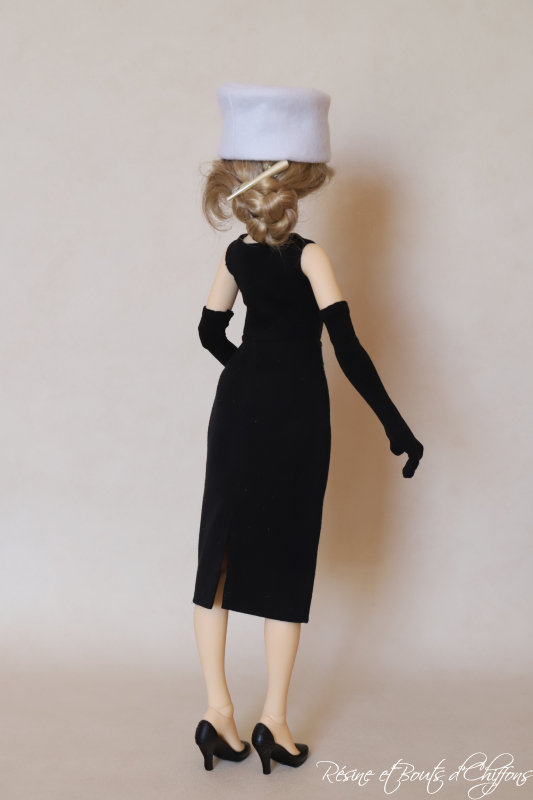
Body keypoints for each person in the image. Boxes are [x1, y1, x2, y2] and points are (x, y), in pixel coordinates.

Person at [192, 83, 424, 774]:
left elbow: (209, 332)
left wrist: (248, 372)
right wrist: (396, 426)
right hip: (296, 415)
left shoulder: (235, 255)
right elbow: (348, 351)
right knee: (285, 558)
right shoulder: (309, 256)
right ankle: (274, 722)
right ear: (295, 183)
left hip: (236, 410)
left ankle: (217, 713)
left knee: (217, 554)